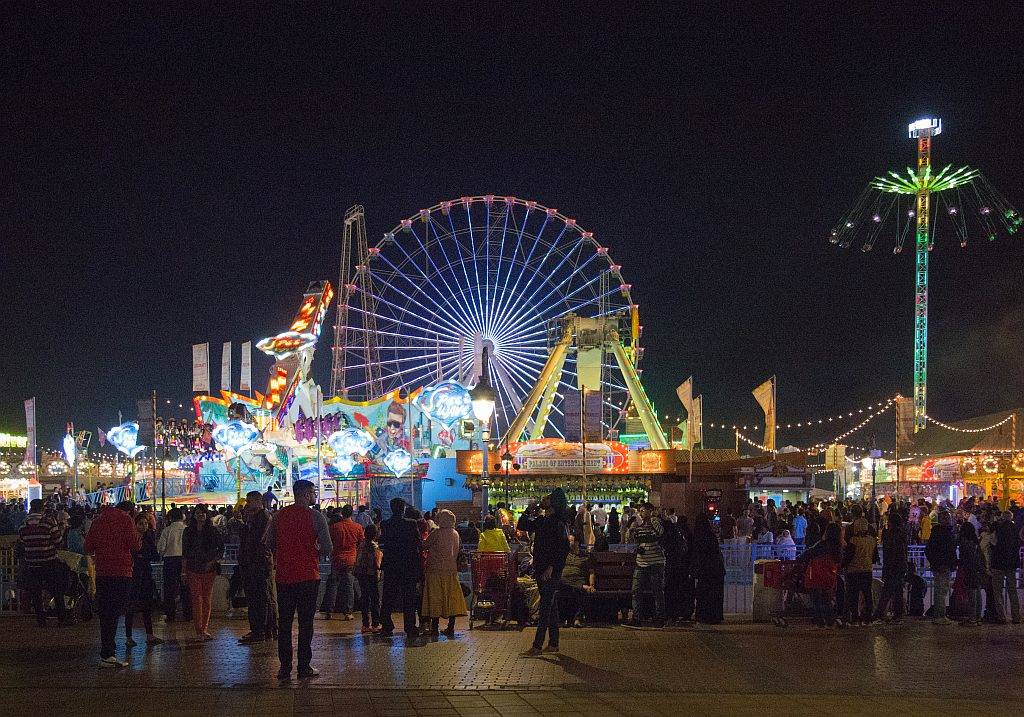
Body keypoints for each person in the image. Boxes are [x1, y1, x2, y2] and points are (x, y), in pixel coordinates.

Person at [267, 479, 333, 680]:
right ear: (305, 494)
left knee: (285, 624)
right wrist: (314, 549)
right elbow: (327, 547)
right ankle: (304, 667)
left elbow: (269, 543)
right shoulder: (317, 517)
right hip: (308, 576)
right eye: (313, 492)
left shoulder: (278, 517)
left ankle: (284, 668)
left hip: (284, 577)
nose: (315, 496)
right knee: (306, 624)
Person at [85, 500, 141, 667]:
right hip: (121, 571)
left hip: (103, 572)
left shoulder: (98, 521)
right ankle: (108, 654)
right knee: (114, 613)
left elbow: (88, 546)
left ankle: (107, 651)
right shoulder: (126, 520)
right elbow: (135, 545)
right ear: (130, 511)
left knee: (105, 613)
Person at [522, 489, 570, 657]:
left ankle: (537, 646)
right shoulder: (543, 520)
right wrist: (530, 509)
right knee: (551, 606)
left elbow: (563, 548)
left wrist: (552, 567)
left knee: (545, 607)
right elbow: (523, 525)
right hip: (541, 567)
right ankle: (553, 643)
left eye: (548, 498)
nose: (544, 498)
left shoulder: (559, 523)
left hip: (550, 570)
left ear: (554, 503)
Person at [18, 499, 69, 627]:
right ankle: (61, 619)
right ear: (42, 509)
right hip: (49, 562)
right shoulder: (49, 522)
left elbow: (23, 544)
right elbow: (58, 542)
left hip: (32, 564)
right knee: (57, 591)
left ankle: (41, 620)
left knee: (36, 593)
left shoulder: (23, 525)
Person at [378, 497, 423, 638]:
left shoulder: (386, 524)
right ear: (403, 508)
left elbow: (382, 541)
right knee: (409, 597)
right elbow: (418, 542)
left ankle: (386, 626)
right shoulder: (411, 524)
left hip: (391, 564)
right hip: (408, 565)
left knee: (388, 597)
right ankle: (409, 627)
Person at [421, 509, 467, 637]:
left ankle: (434, 628)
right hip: (451, 570)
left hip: (435, 570)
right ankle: (450, 627)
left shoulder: (436, 533)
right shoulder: (455, 533)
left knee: (435, 598)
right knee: (451, 598)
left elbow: (424, 545)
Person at [182, 505, 225, 640]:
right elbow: (184, 552)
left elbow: (221, 548)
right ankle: (199, 630)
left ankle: (203, 628)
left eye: (203, 513)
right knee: (196, 599)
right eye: (198, 513)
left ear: (207, 515)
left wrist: (213, 561)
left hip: (208, 568)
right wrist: (183, 571)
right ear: (194, 515)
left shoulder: (212, 531)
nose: (200, 515)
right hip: (193, 568)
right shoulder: (188, 531)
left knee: (206, 598)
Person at [237, 491, 274, 643]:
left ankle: (260, 630)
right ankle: (260, 629)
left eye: (249, 501)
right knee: (255, 597)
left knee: (259, 597)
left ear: (258, 501)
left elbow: (257, 540)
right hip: (252, 562)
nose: (247, 505)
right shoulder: (255, 518)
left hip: (258, 562)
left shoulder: (262, 518)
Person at [624, 502, 666, 627]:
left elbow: (660, 533)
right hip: (641, 562)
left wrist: (652, 521)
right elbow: (631, 541)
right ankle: (637, 618)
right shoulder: (639, 526)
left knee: (657, 591)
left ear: (650, 511)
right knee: (636, 590)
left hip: (655, 562)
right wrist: (631, 530)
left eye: (643, 511)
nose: (641, 514)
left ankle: (660, 618)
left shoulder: (655, 522)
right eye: (640, 511)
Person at [125, 513, 162, 646]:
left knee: (147, 604)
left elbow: (155, 554)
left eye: (146, 523)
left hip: (145, 573)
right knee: (131, 604)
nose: (144, 526)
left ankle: (150, 635)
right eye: (141, 523)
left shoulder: (149, 538)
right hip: (134, 574)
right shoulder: (131, 538)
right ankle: (128, 637)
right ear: (135, 524)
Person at [797, 522, 843, 627]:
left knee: (816, 600)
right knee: (827, 600)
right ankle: (830, 620)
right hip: (829, 576)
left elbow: (807, 554)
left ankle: (819, 621)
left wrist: (800, 558)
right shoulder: (838, 547)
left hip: (816, 576)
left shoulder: (822, 544)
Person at [323, 504, 364, 620]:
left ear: (342, 513)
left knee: (333, 585)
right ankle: (348, 612)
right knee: (349, 586)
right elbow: (361, 543)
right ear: (351, 514)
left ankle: (329, 612)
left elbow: (329, 541)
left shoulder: (335, 527)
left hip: (336, 559)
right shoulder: (357, 527)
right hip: (351, 559)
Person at [873, 510, 908, 623]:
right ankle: (897, 614)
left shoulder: (890, 535)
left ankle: (880, 613)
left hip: (892, 566)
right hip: (899, 566)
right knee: (897, 591)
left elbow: (891, 553)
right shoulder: (901, 534)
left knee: (887, 591)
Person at [690, 513, 725, 625]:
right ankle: (714, 616)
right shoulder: (711, 535)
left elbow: (697, 554)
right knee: (714, 594)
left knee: (703, 593)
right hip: (715, 570)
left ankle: (704, 616)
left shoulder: (698, 536)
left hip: (705, 571)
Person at [925, 510, 958, 625]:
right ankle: (940, 615)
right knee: (941, 591)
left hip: (942, 565)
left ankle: (939, 614)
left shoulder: (942, 532)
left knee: (941, 590)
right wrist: (939, 563)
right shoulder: (942, 533)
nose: (948, 520)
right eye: (946, 518)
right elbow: (945, 550)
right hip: (942, 566)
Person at [989, 510, 1022, 624]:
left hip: (998, 563)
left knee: (997, 591)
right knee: (1012, 591)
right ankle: (1016, 616)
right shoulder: (1016, 529)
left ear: (1002, 518)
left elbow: (992, 543)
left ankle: (1002, 616)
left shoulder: (998, 528)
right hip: (1011, 564)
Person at [842, 516, 876, 626]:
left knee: (853, 595)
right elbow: (875, 557)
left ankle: (855, 618)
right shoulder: (872, 541)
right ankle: (868, 618)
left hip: (854, 570)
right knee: (867, 595)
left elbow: (849, 556)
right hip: (867, 569)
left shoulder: (853, 541)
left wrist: (843, 565)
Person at [157, 507, 188, 622]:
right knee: (185, 587)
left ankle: (170, 614)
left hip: (170, 560)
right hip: (184, 560)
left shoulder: (167, 530)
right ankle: (187, 613)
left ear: (170, 518)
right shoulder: (187, 529)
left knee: (169, 588)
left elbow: (161, 548)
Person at [353, 522, 383, 632]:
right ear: (375, 534)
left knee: (365, 598)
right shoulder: (374, 546)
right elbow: (377, 563)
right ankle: (375, 623)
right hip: (371, 574)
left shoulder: (361, 544)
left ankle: (365, 624)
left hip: (361, 573)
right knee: (375, 598)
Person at [957, 522, 984, 626]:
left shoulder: (965, 542)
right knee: (977, 593)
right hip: (977, 569)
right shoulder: (975, 542)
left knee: (972, 594)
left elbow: (966, 557)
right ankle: (977, 617)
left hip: (970, 569)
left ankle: (972, 618)